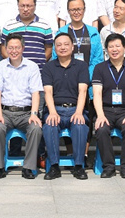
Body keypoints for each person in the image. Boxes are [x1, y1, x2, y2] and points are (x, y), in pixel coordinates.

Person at [0, 34, 44, 179]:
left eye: (17, 48)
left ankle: (28, 167)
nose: (14, 51)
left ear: (23, 48)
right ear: (5, 49)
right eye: (11, 48)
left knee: (36, 129)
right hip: (5, 112)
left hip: (26, 113)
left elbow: (35, 93)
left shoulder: (32, 67)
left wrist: (34, 114)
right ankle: (0, 167)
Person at [92, 33, 125, 179]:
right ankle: (108, 167)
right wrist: (100, 115)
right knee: (101, 129)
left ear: (124, 47)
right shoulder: (99, 68)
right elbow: (97, 94)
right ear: (106, 49)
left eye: (117, 46)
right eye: (111, 46)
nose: (114, 49)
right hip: (106, 110)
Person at [41, 32, 91, 180]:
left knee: (80, 125)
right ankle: (54, 166)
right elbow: (48, 92)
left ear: (72, 47)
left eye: (66, 44)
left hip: (75, 108)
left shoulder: (81, 66)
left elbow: (83, 91)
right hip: (55, 108)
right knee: (50, 125)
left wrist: (79, 112)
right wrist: (52, 112)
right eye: (59, 45)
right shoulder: (48, 67)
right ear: (54, 48)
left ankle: (79, 166)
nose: (63, 47)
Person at [0, 0, 53, 68]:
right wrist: (14, 64)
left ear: (35, 5)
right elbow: (3, 49)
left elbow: (49, 49)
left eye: (29, 6)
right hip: (14, 70)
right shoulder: (9, 25)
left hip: (38, 71)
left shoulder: (45, 25)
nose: (25, 9)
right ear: (18, 6)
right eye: (22, 6)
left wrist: (37, 65)